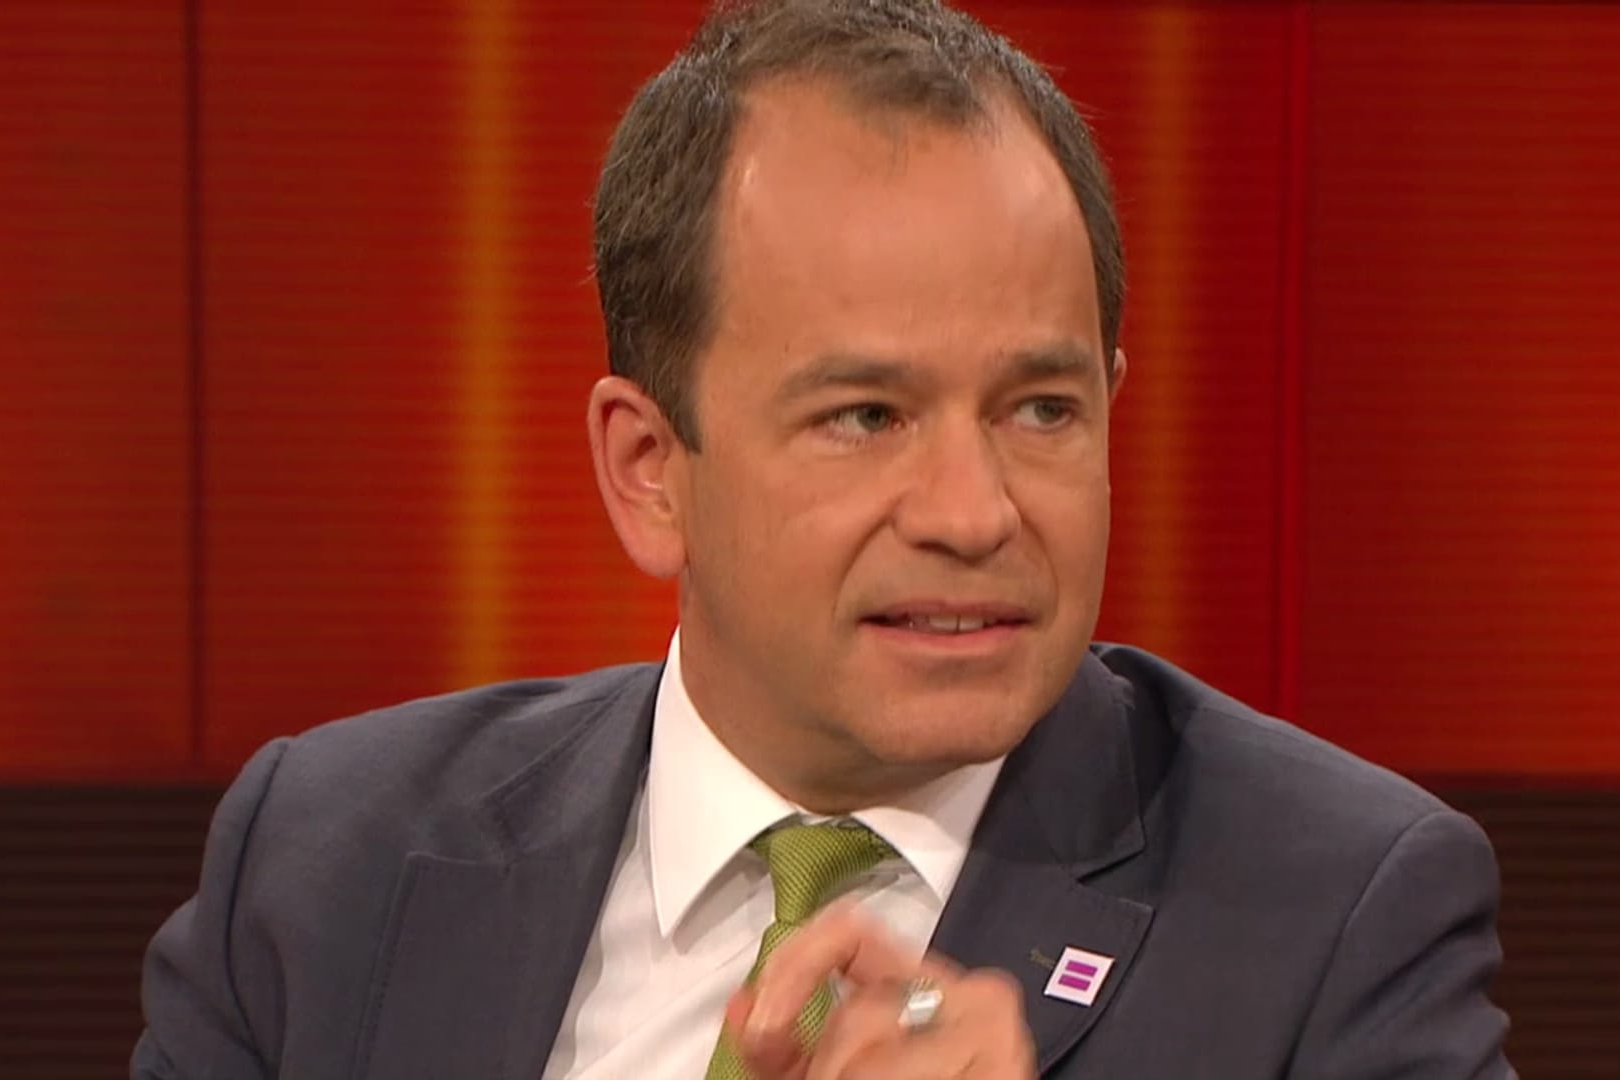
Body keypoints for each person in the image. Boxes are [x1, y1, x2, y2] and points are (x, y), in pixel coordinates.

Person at [134, 1, 1514, 1077]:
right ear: (649, 470)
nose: (974, 514)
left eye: (1041, 409)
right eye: (866, 417)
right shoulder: (324, 869)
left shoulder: (1335, 919)